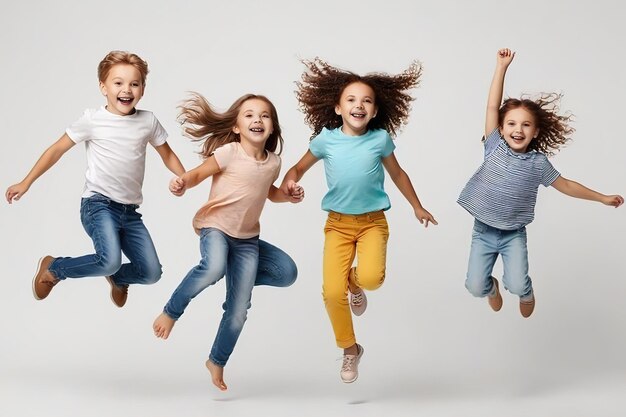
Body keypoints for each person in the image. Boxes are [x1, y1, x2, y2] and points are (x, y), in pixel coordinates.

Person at [279, 58, 437, 383]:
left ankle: (355, 281)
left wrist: (417, 207)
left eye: (366, 100)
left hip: (372, 223)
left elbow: (398, 173)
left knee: (373, 279)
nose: (359, 105)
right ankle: (351, 350)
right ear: (338, 108)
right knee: (331, 292)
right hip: (337, 225)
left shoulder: (379, 140)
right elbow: (297, 168)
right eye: (351, 99)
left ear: (375, 111)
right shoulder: (326, 140)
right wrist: (290, 182)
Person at [5, 50, 186, 308]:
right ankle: (55, 268)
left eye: (134, 84)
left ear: (143, 89)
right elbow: (56, 149)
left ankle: (118, 279)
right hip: (97, 205)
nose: (127, 90)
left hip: (130, 212)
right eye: (118, 83)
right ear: (103, 87)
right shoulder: (93, 119)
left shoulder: (148, 121)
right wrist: (26, 182)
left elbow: (167, 155)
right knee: (109, 259)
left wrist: (185, 177)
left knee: (151, 273)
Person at [458, 48, 624, 318]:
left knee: (517, 282)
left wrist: (602, 197)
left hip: (513, 234)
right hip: (484, 231)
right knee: (475, 286)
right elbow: (491, 106)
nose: (518, 130)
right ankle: (491, 288)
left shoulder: (538, 163)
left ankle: (526, 292)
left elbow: (567, 185)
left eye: (525, 125)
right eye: (511, 123)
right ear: (501, 128)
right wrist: (501, 67)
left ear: (535, 132)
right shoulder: (494, 145)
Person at [152, 92, 302, 391]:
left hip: (247, 240)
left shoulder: (273, 162)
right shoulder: (229, 153)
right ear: (236, 126)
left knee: (283, 275)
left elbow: (268, 192)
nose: (257, 120)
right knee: (213, 266)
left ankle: (216, 360)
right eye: (249, 115)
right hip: (216, 228)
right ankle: (171, 311)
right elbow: (197, 174)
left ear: (272, 128)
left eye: (264, 116)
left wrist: (288, 196)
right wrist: (182, 182)